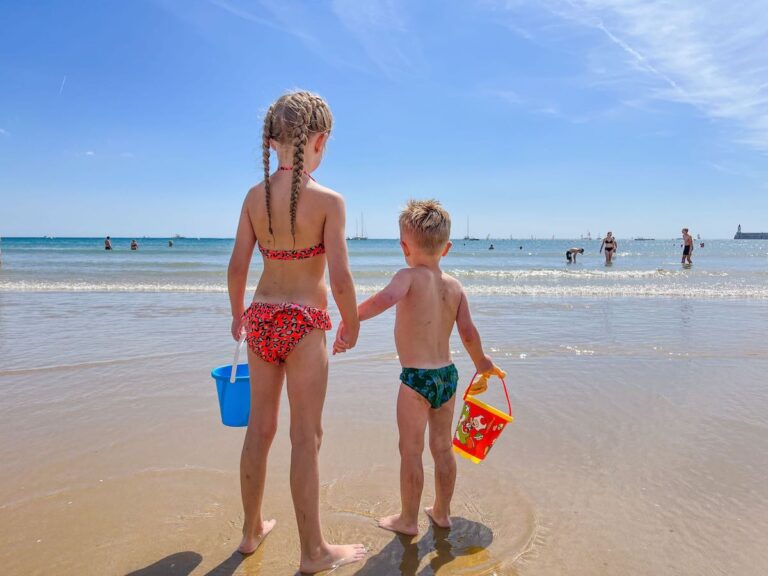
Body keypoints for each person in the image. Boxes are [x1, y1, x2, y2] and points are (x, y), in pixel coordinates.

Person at [227, 91, 365, 572]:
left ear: (271, 141)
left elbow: (236, 267)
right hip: (305, 324)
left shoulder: (252, 197)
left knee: (259, 430)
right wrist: (351, 321)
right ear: (320, 141)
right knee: (305, 436)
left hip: (262, 318)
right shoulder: (329, 201)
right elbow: (342, 277)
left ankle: (249, 532)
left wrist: (236, 315)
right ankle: (313, 552)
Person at [334, 199, 502, 536]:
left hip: (416, 380)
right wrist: (482, 362)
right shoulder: (455, 287)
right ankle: (441, 512)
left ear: (404, 246)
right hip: (447, 376)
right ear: (447, 248)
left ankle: (408, 520)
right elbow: (468, 332)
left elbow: (383, 300)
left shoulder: (407, 276)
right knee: (442, 448)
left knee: (410, 450)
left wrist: (350, 319)